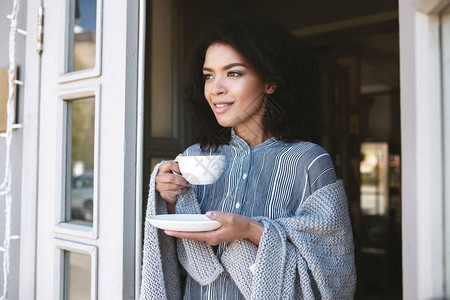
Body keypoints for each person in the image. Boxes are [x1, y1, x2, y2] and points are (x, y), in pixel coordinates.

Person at [140, 13, 356, 300]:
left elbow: (334, 273)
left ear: (269, 81)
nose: (215, 89)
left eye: (233, 73)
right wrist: (168, 200)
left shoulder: (309, 161)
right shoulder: (194, 158)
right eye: (208, 75)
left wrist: (250, 229)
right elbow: (175, 258)